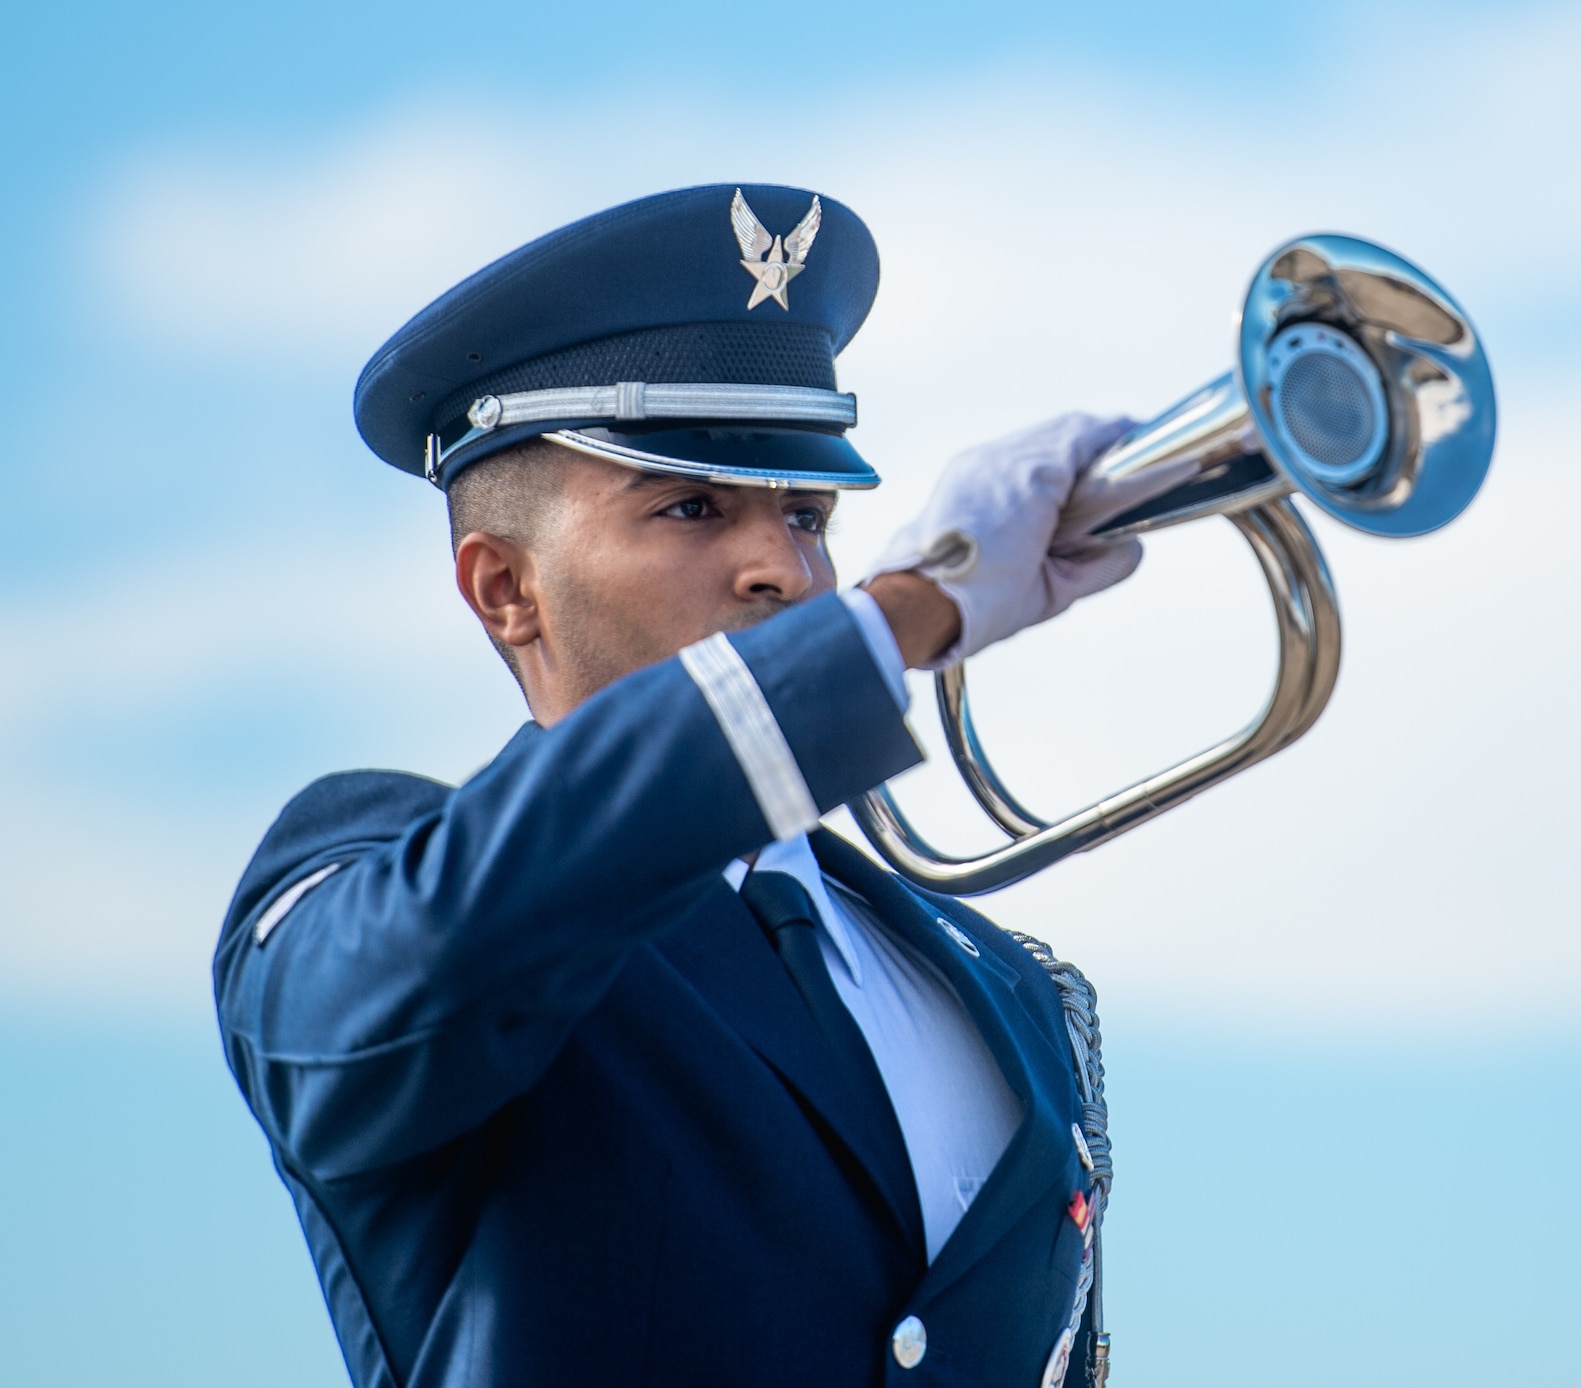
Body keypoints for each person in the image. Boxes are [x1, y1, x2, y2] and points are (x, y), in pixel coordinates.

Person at [213, 184, 1149, 1388]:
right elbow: (427, 963)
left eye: (807, 512)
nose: (783, 566)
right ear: (503, 588)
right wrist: (902, 614)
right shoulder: (371, 876)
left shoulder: (999, 981)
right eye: (691, 506)